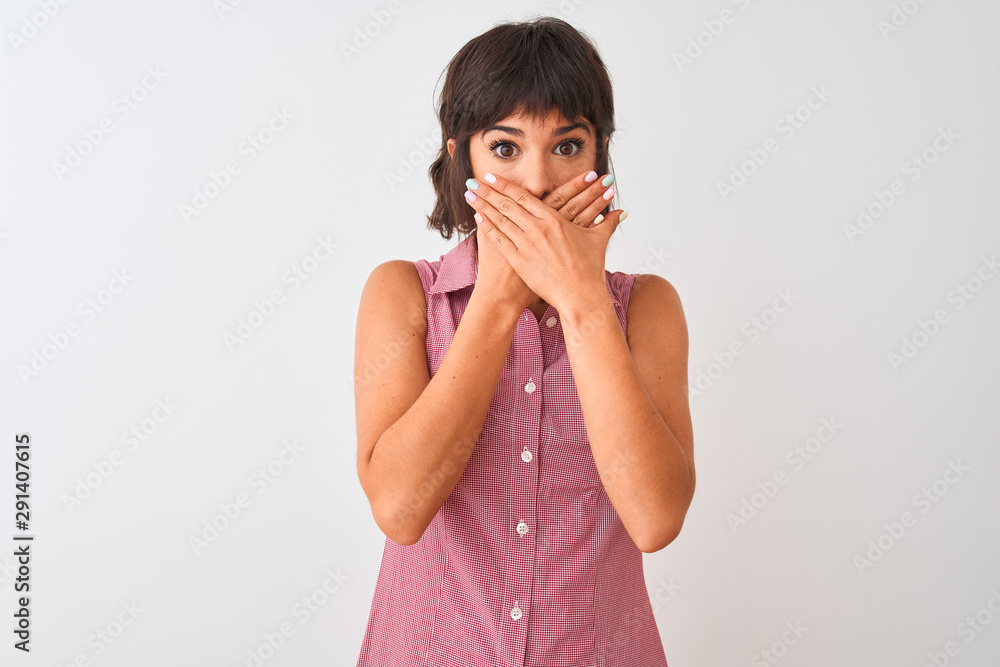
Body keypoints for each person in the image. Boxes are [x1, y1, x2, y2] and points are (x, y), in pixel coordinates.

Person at [353, 16, 695, 666]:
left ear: (599, 157)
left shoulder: (647, 308)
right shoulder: (403, 295)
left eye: (567, 145)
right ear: (462, 157)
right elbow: (399, 509)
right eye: (505, 149)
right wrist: (498, 298)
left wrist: (583, 301)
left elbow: (655, 520)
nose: (537, 182)